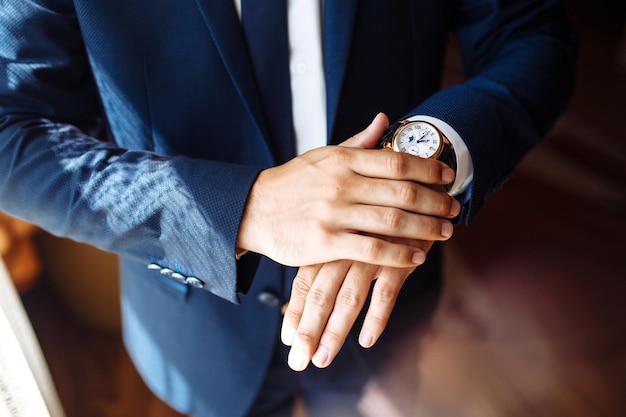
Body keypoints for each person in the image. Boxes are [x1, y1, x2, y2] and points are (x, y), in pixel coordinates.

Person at [0, 1, 577, 416]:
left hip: (384, 307)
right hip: (195, 322)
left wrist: (420, 160)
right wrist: (245, 209)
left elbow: (528, 32)